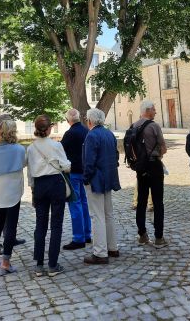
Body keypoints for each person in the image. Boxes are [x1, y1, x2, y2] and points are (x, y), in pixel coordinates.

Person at [26, 115, 71, 277]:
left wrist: (32, 190)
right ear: (50, 128)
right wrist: (67, 165)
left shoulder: (31, 148)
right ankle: (52, 265)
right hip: (55, 184)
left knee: (40, 225)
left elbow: (30, 173)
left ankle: (39, 265)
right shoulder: (55, 145)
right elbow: (66, 166)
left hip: (39, 185)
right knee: (56, 225)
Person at [0, 119, 26, 276]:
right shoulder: (19, 149)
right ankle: (6, 262)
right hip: (12, 188)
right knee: (10, 226)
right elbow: (22, 164)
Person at [83, 108, 120, 264]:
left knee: (97, 215)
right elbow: (116, 155)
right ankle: (112, 247)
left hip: (96, 179)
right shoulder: (109, 133)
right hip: (108, 176)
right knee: (108, 214)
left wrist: (86, 178)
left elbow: (89, 161)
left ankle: (100, 252)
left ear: (90, 121)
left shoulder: (92, 135)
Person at [132, 100, 168, 248]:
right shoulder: (154, 126)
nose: (155, 112)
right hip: (154, 165)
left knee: (141, 201)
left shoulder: (134, 126)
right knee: (158, 201)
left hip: (140, 167)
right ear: (147, 111)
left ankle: (142, 235)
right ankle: (159, 237)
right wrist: (158, 154)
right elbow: (163, 147)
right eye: (153, 109)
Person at [60, 108, 92, 250]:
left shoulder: (69, 133)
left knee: (75, 204)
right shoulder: (86, 131)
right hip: (85, 172)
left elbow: (60, 151)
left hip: (73, 173)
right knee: (84, 203)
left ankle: (78, 238)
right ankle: (87, 234)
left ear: (68, 121)